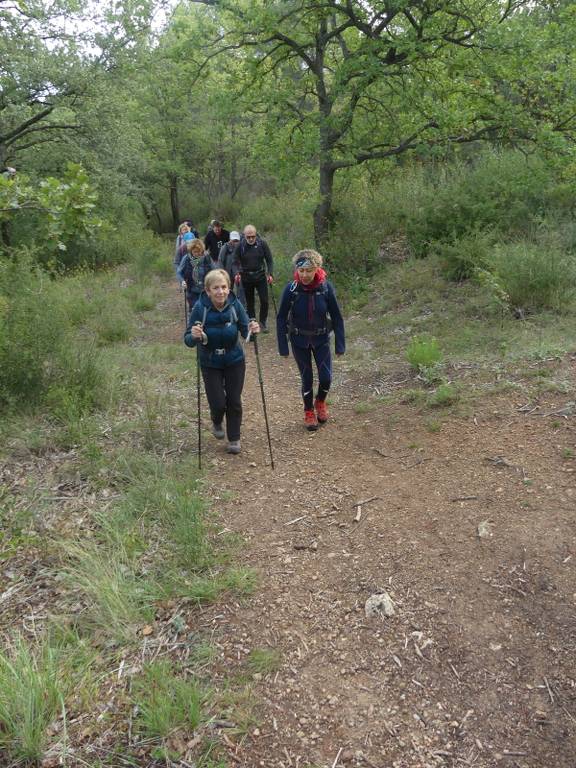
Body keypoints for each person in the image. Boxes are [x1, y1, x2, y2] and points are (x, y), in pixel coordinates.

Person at [184, 269, 259, 454]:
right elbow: (187, 339)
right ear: (208, 291)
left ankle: (234, 438)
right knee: (218, 403)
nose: (221, 292)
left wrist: (253, 330)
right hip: (210, 362)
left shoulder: (235, 305)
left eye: (224, 287)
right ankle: (216, 420)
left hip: (234, 359)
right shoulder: (200, 308)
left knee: (234, 400)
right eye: (215, 288)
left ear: (229, 287)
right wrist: (194, 336)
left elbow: (245, 331)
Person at [276, 249, 345, 431]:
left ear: (316, 269)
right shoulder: (291, 289)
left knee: (326, 378)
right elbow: (281, 317)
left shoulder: (325, 288)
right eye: (301, 271)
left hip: (321, 338)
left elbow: (337, 317)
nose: (304, 275)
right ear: (297, 270)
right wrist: (283, 346)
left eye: (309, 270)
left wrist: (340, 344)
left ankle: (320, 401)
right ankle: (308, 411)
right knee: (307, 378)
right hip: (299, 340)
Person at [233, 224, 274, 332]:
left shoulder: (262, 244)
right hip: (246, 277)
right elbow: (234, 262)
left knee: (264, 300)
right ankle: (253, 322)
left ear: (256, 235)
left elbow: (269, 260)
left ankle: (263, 322)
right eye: (248, 237)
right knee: (249, 302)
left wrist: (270, 274)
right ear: (244, 235)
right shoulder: (240, 246)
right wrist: (237, 272)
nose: (251, 239)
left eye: (253, 236)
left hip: (260, 275)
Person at [177, 238, 208, 313]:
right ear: (191, 251)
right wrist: (182, 281)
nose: (197, 254)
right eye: (194, 252)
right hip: (192, 290)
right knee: (194, 310)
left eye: (198, 252)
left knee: (205, 310)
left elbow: (214, 271)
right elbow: (179, 272)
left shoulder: (206, 258)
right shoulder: (187, 259)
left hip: (205, 290)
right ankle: (192, 324)